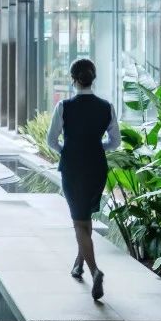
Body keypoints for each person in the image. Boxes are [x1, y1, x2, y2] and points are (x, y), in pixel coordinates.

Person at [46, 58, 120, 301]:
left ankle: (95, 270)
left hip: (73, 168)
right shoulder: (107, 107)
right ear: (93, 78)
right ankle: (79, 265)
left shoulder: (64, 106)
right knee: (85, 218)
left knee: (79, 223)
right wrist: (97, 147)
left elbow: (51, 140)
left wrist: (67, 150)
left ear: (73, 79)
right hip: (97, 167)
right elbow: (115, 142)